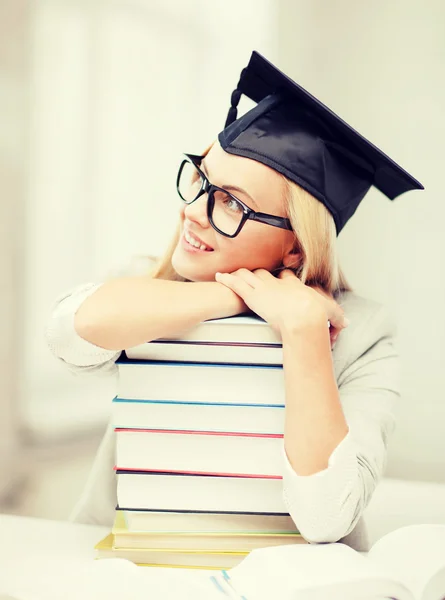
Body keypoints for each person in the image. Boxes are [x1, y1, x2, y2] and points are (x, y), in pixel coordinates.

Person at [45, 51, 423, 551]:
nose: (192, 213)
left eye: (231, 202)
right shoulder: (144, 287)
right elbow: (69, 332)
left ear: (295, 244)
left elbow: (325, 516)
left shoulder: (363, 333)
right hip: (134, 571)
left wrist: (304, 332)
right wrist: (232, 294)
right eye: (202, 181)